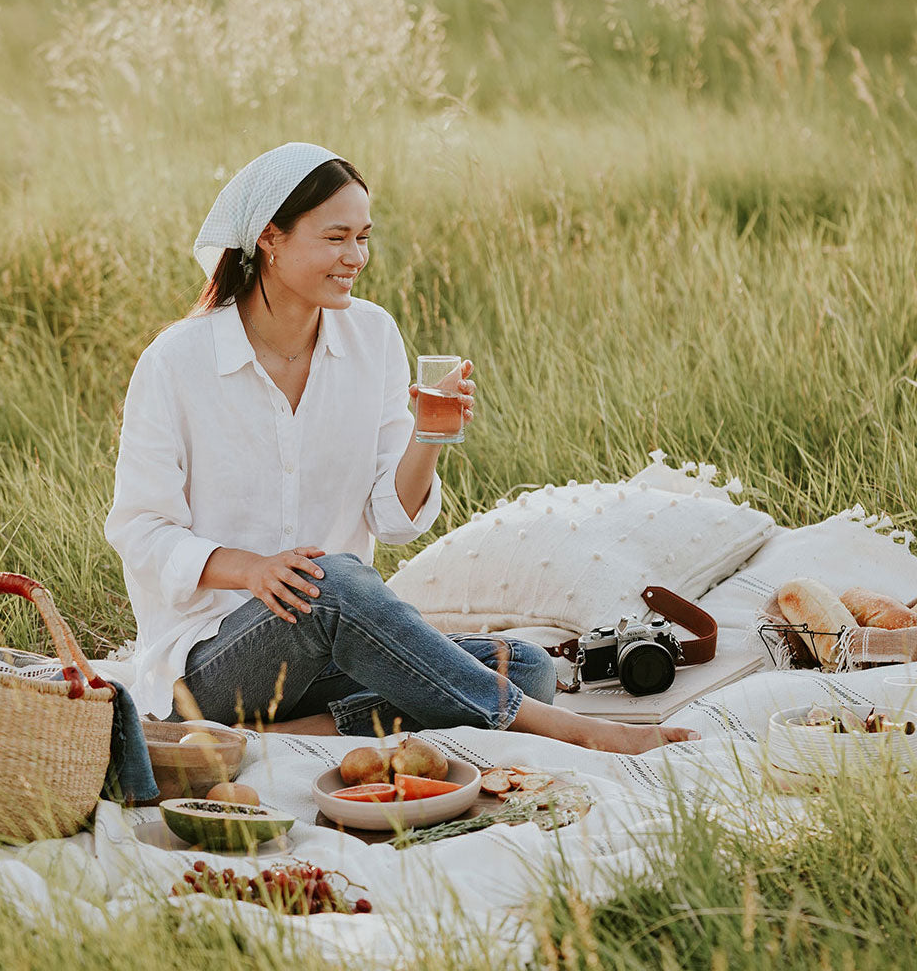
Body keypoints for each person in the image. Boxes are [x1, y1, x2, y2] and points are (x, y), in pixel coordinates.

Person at [104, 142, 699, 753]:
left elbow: (392, 521)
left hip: (330, 642)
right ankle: (570, 730)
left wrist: (426, 434)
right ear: (270, 239)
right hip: (209, 663)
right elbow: (140, 530)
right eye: (336, 238)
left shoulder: (372, 335)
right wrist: (252, 570)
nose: (355, 257)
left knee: (524, 666)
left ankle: (297, 731)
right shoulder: (177, 362)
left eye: (364, 237)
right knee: (329, 581)